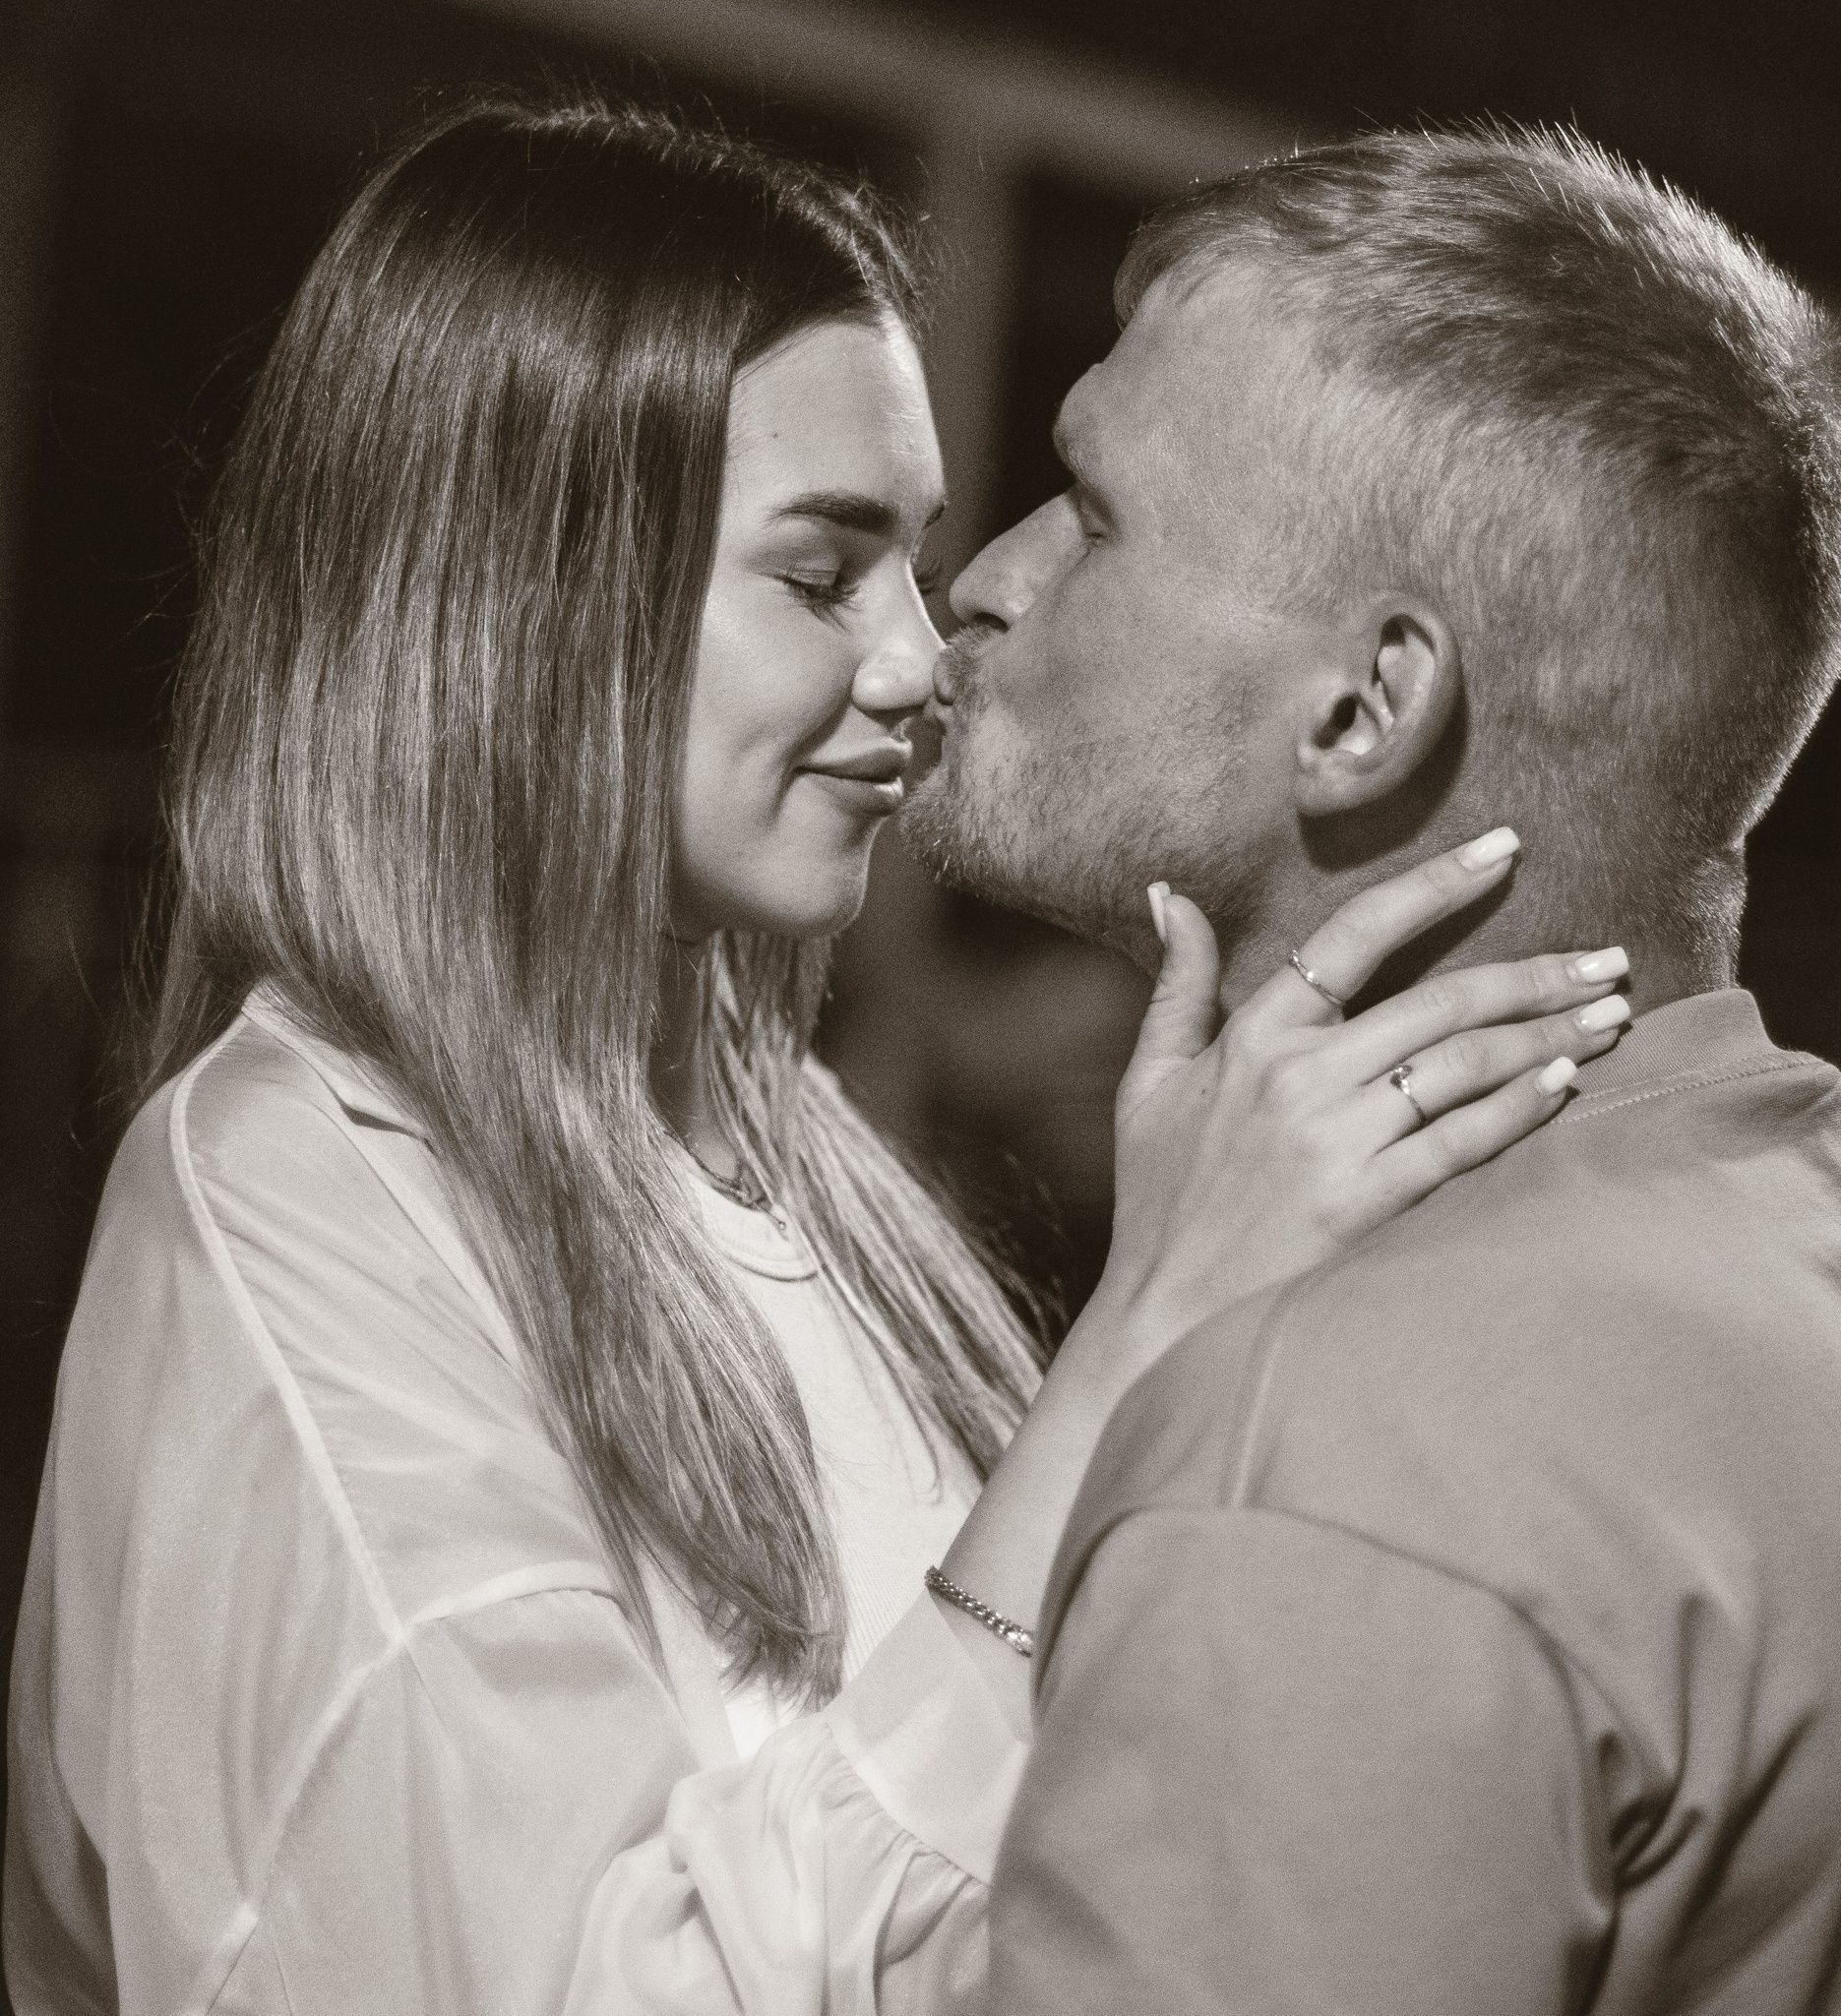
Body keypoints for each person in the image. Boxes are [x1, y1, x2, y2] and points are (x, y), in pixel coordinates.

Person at [1, 97, 1626, 2016]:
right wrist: (1146, 1337)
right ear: (533, 595)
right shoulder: (296, 1193)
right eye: (820, 569)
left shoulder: (789, 1152)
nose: (923, 656)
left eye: (909, 561)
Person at [904, 125, 1841, 2013]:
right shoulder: (1821, 1287)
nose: (990, 580)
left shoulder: (1331, 1451)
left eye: (1093, 514)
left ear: (1366, 709)